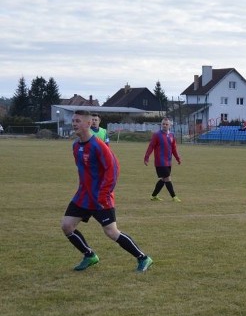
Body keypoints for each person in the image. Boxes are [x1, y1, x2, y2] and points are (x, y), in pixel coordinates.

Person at [61, 110, 153, 273]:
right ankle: (89, 255)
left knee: (111, 232)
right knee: (67, 226)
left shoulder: (98, 146)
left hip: (100, 197)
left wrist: (103, 194)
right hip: (83, 196)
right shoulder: (75, 145)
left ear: (89, 123)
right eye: (73, 120)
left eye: (78, 121)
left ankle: (143, 258)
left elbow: (113, 170)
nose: (74, 123)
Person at [144, 117, 182, 202]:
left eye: (166, 124)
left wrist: (178, 158)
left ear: (170, 125)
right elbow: (151, 146)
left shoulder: (172, 135)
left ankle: (153, 196)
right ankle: (174, 197)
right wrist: (146, 157)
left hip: (168, 161)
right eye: (163, 124)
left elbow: (174, 149)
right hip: (160, 162)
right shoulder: (157, 135)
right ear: (161, 125)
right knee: (168, 178)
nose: (164, 125)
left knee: (163, 179)